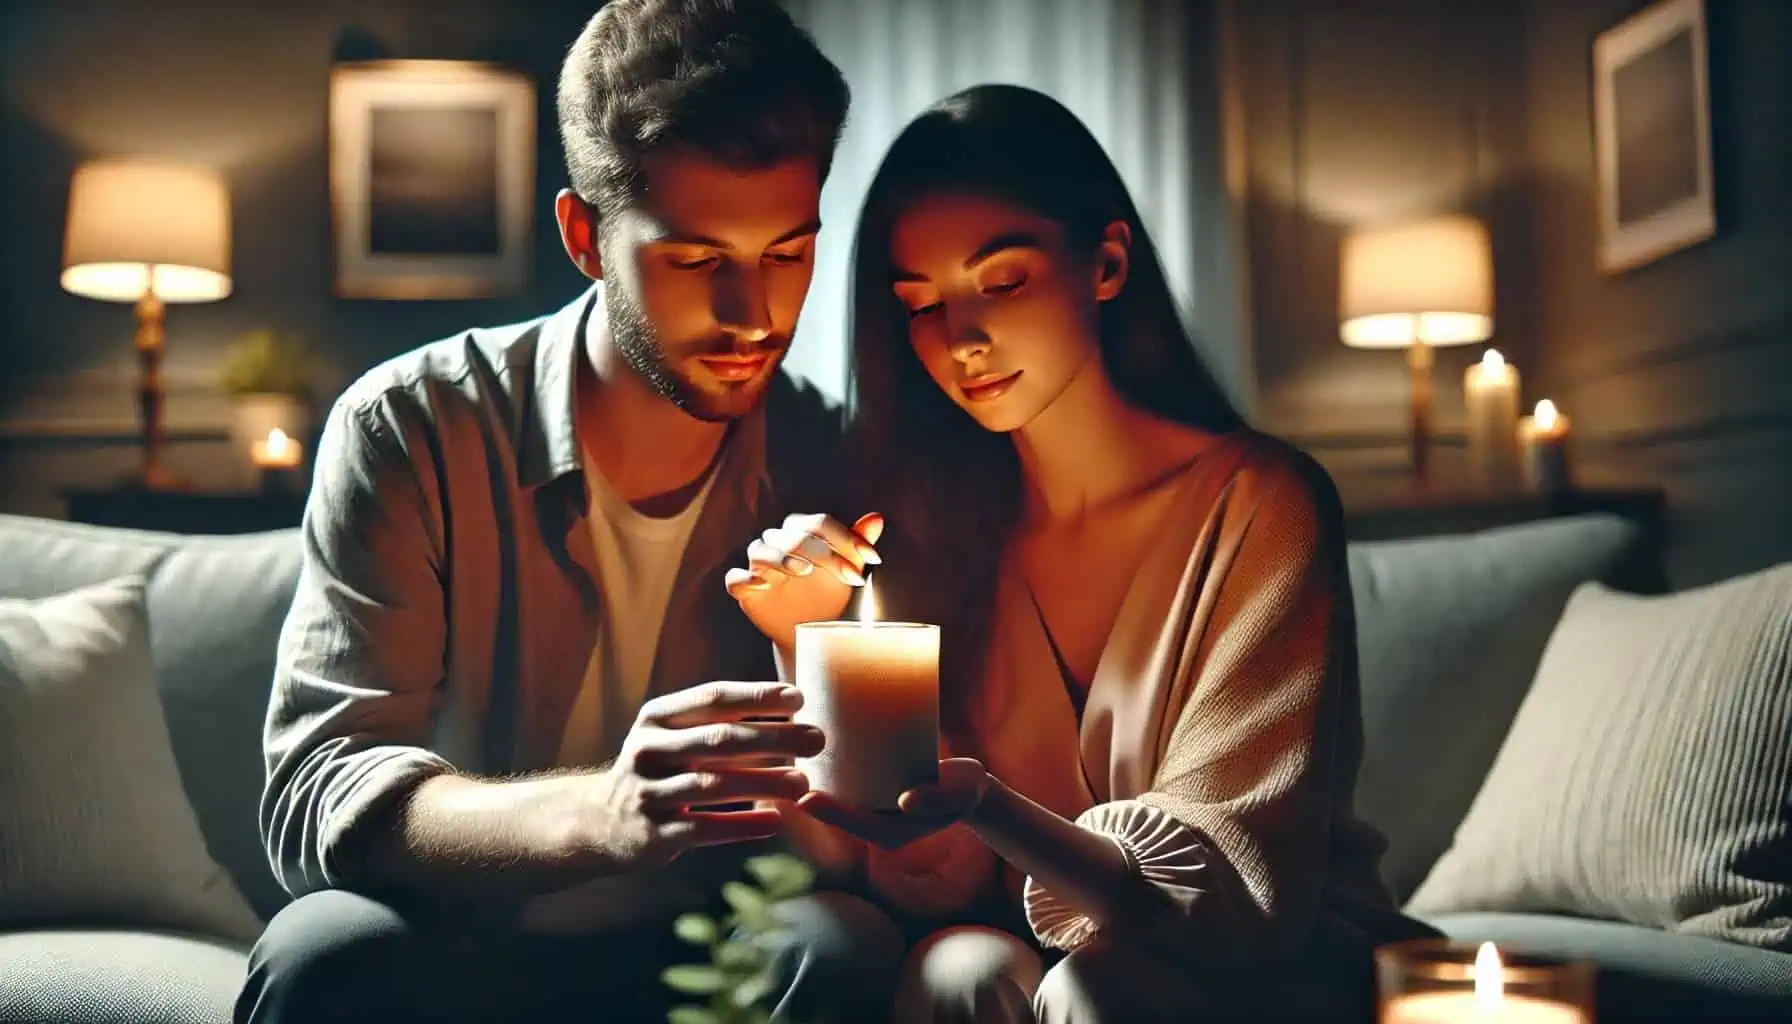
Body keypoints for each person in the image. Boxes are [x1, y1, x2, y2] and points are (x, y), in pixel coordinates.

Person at [236, 3, 910, 1022]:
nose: (754, 315)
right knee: (321, 955)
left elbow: (874, 821)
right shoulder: (414, 427)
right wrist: (603, 812)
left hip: (708, 946)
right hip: (460, 936)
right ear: (584, 237)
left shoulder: (828, 459)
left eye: (786, 253)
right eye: (695, 261)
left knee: (841, 945)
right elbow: (321, 788)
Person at [727, 84, 1440, 1022]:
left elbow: (1227, 896)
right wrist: (806, 646)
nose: (964, 341)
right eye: (922, 305)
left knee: (1103, 986)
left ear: (1106, 262)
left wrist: (987, 804)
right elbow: (922, 881)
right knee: (957, 967)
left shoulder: (1263, 505)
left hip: (1265, 966)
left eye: (1003, 282)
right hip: (1028, 954)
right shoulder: (929, 525)